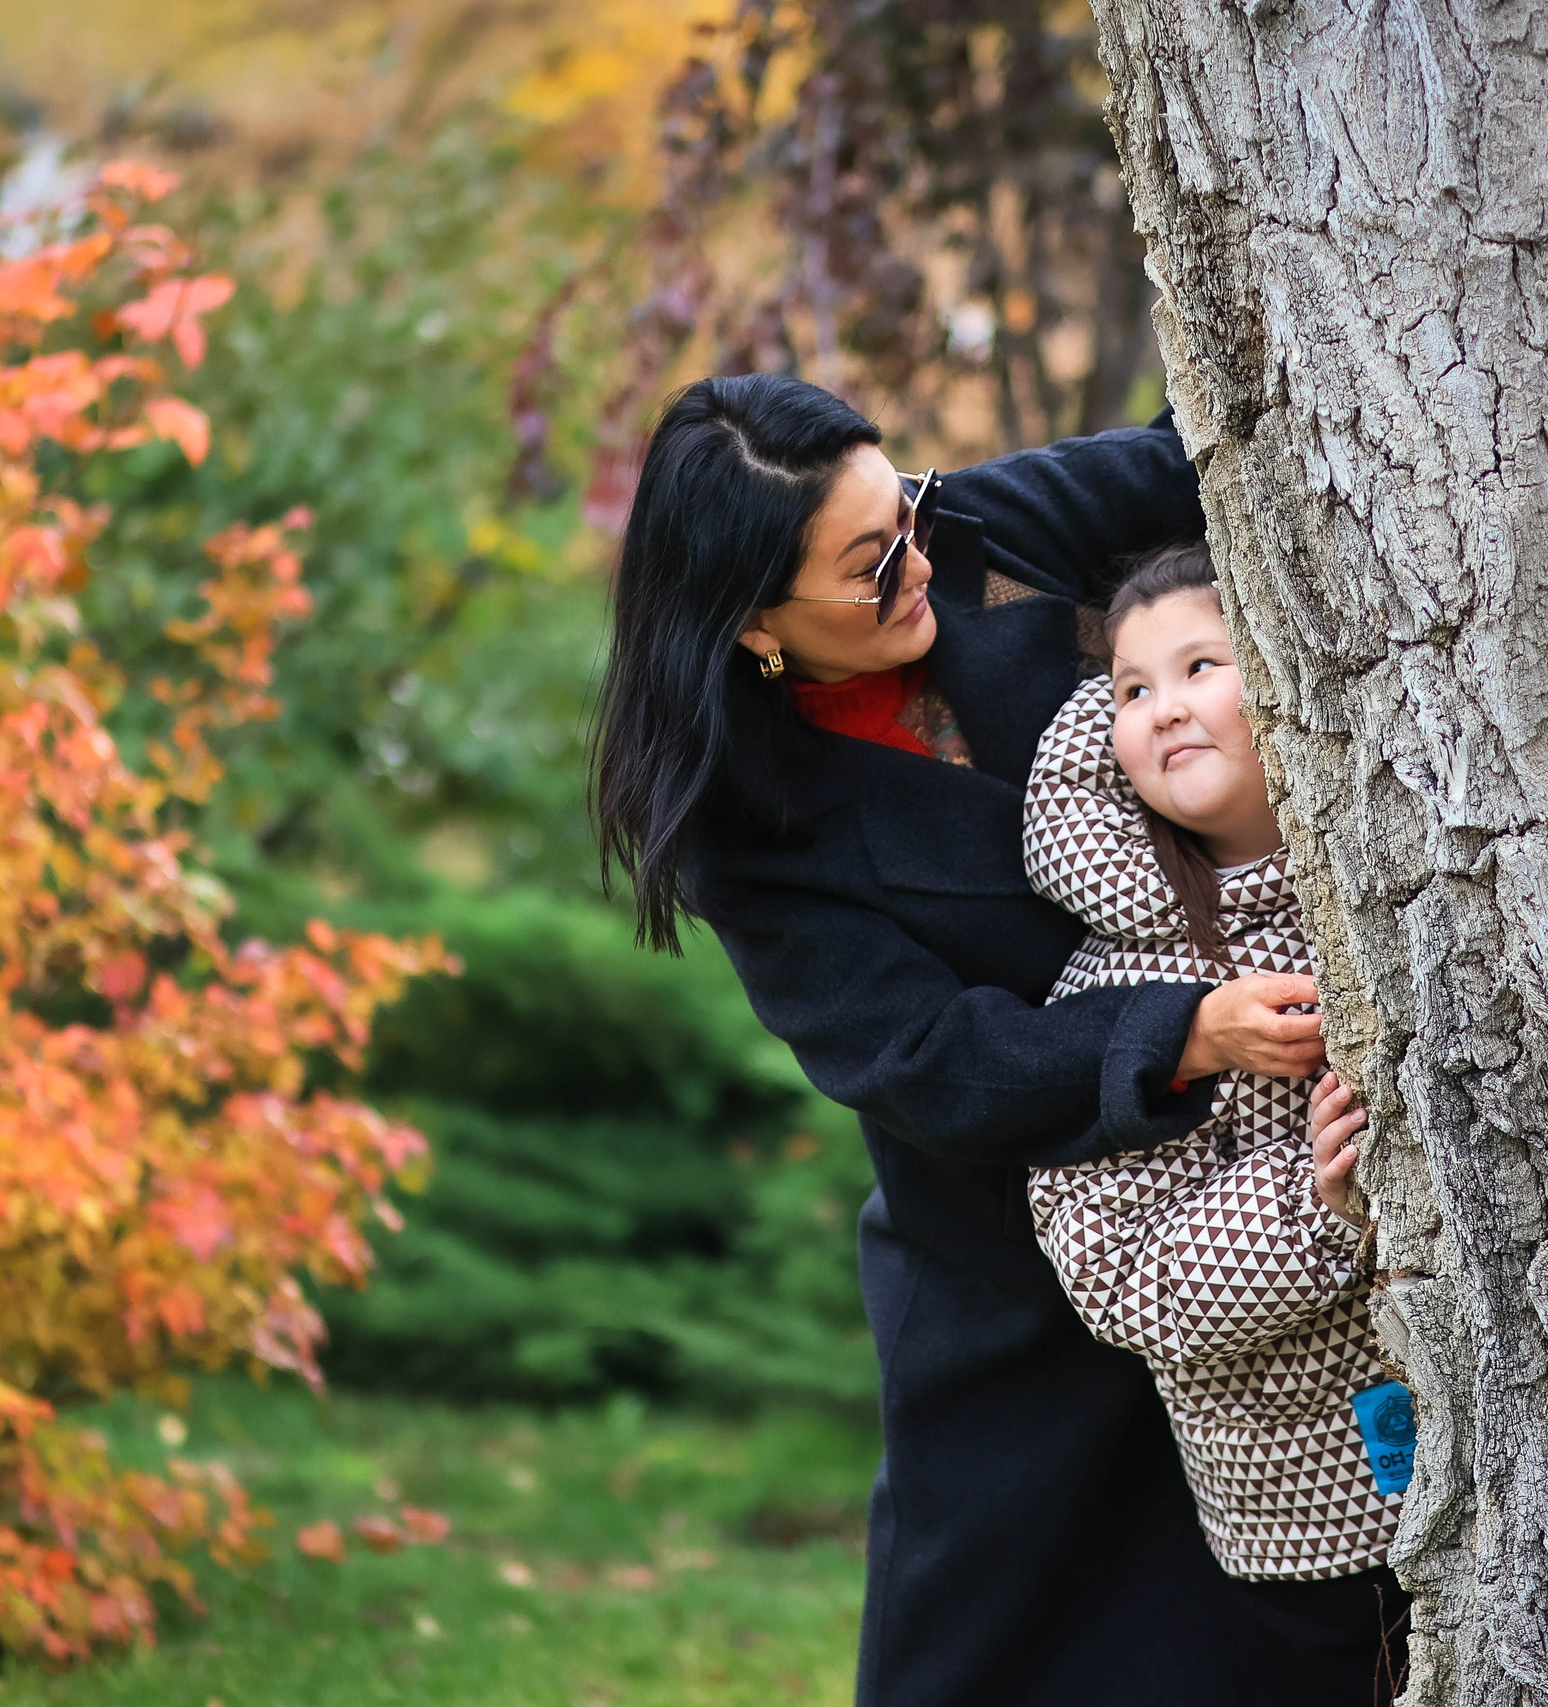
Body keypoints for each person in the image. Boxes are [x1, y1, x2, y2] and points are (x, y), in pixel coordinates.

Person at [590, 374, 1333, 1706]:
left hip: (1273, 1190)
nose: (922, 559)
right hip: (1010, 1263)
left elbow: (1198, 445)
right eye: (870, 564)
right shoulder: (740, 818)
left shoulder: (973, 528)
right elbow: (927, 1055)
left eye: (905, 509)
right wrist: (1183, 1030)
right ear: (753, 621)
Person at [1024, 542, 1410, 1707]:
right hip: (1309, 1511)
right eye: (1134, 690)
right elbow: (1118, 1277)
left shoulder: (1413, 874)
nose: (1165, 707)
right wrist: (1311, 1201)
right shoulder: (1114, 993)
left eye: (1202, 665)